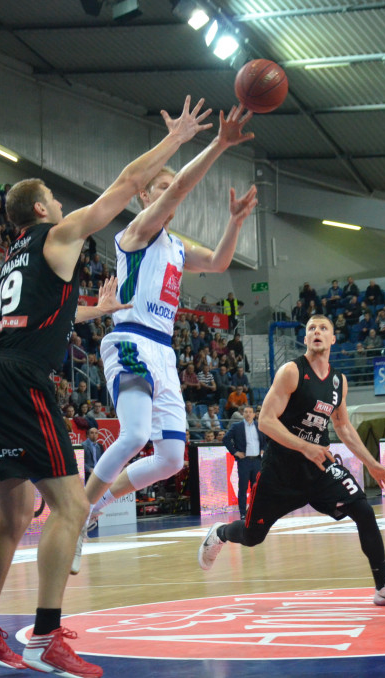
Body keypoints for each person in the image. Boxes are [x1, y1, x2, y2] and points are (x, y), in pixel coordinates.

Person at [0, 96, 212, 677]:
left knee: (13, 516)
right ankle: (45, 636)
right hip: (21, 380)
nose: (61, 202)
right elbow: (126, 185)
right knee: (72, 507)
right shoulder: (58, 232)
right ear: (41, 208)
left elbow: (42, 317)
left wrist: (96, 310)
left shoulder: (17, 258)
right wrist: (176, 140)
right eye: (53, 197)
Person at [78, 103, 257, 575]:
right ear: (144, 197)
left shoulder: (176, 246)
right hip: (131, 339)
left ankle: (95, 507)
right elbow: (180, 189)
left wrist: (235, 221)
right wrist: (218, 143)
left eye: (168, 188)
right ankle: (78, 512)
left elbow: (218, 263)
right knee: (135, 434)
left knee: (171, 459)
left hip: (163, 349)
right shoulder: (135, 233)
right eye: (159, 188)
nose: (170, 193)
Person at [198, 315, 385, 608]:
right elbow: (266, 421)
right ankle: (219, 533)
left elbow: (343, 426)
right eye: (311, 328)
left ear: (333, 339)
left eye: (323, 328)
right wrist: (304, 446)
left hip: (319, 468)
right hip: (280, 471)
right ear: (305, 338)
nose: (317, 332)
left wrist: (371, 462)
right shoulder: (292, 371)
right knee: (252, 535)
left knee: (364, 510)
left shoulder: (339, 381)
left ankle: (383, 589)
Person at [223, 405, 267, 520]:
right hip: (244, 461)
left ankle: (255, 511)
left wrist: (263, 449)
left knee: (256, 488)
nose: (248, 414)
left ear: (254, 414)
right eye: (246, 412)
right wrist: (235, 452)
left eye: (250, 412)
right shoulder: (237, 426)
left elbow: (267, 440)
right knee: (242, 488)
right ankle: (243, 513)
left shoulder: (259, 426)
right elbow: (225, 439)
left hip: (257, 460)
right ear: (243, 414)